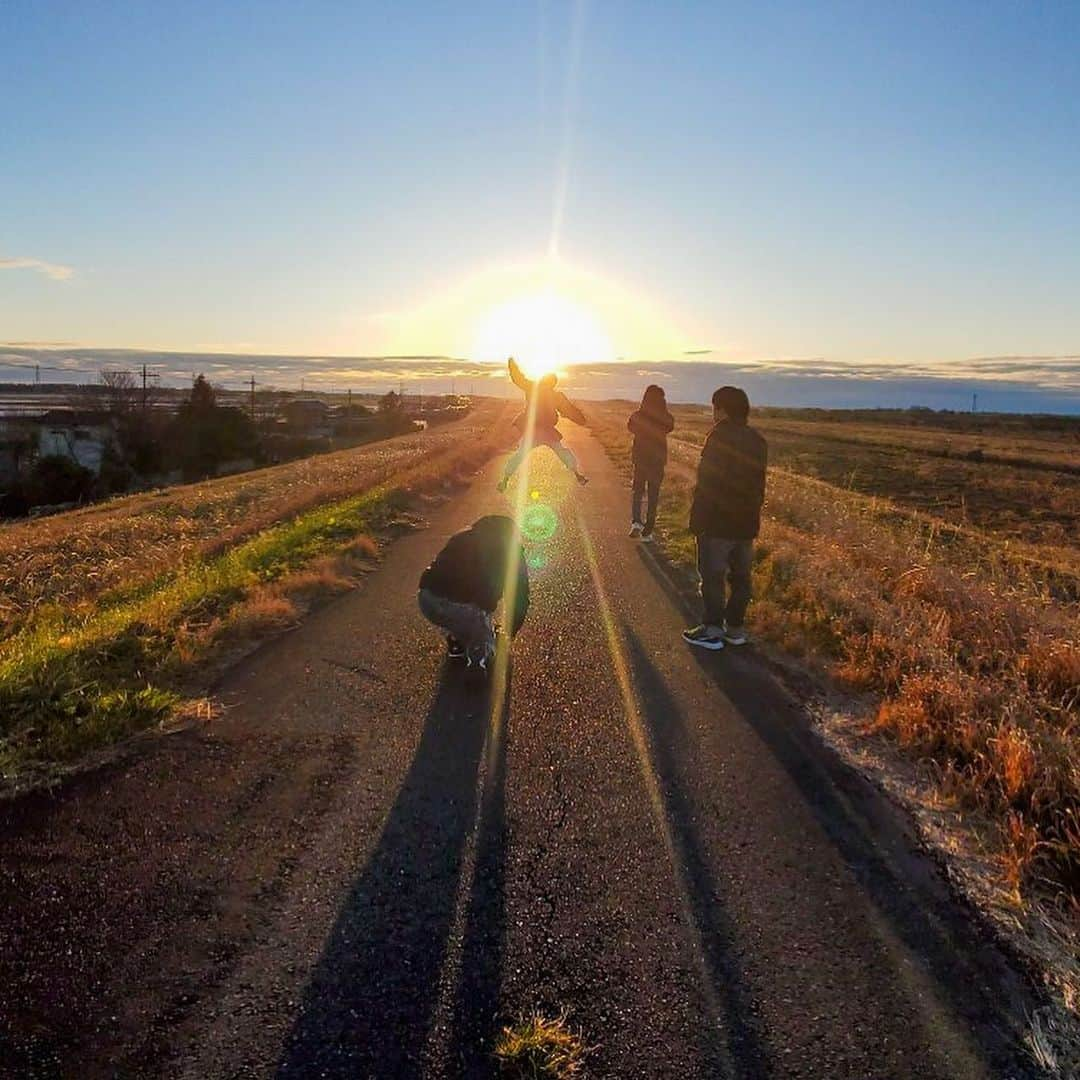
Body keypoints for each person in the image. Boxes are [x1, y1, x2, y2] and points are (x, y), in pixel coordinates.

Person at [682, 386, 767, 650]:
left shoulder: (718, 437)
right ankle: (736, 629)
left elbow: (707, 483)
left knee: (713, 577)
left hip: (717, 522)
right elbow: (760, 485)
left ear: (722, 409)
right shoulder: (757, 440)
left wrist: (697, 520)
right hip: (746, 524)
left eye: (714, 407)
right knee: (741, 578)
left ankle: (712, 629)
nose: (712, 413)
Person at [418, 514, 529, 671]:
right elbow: (520, 597)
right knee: (486, 632)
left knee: (466, 608)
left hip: (426, 600)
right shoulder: (512, 552)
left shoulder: (462, 536)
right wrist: (511, 631)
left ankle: (458, 639)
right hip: (462, 608)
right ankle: (479, 661)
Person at [497, 357, 589, 491]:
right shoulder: (547, 393)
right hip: (541, 431)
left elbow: (518, 379)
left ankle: (505, 480)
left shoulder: (534, 388)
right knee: (560, 451)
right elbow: (569, 410)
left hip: (540, 430)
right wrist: (582, 420)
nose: (549, 385)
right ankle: (577, 475)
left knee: (522, 454)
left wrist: (513, 367)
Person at [627, 384, 674, 542]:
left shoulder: (638, 415)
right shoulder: (665, 417)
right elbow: (670, 427)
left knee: (638, 491)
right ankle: (648, 532)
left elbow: (630, 427)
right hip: (657, 460)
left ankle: (636, 523)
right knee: (654, 495)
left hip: (640, 458)